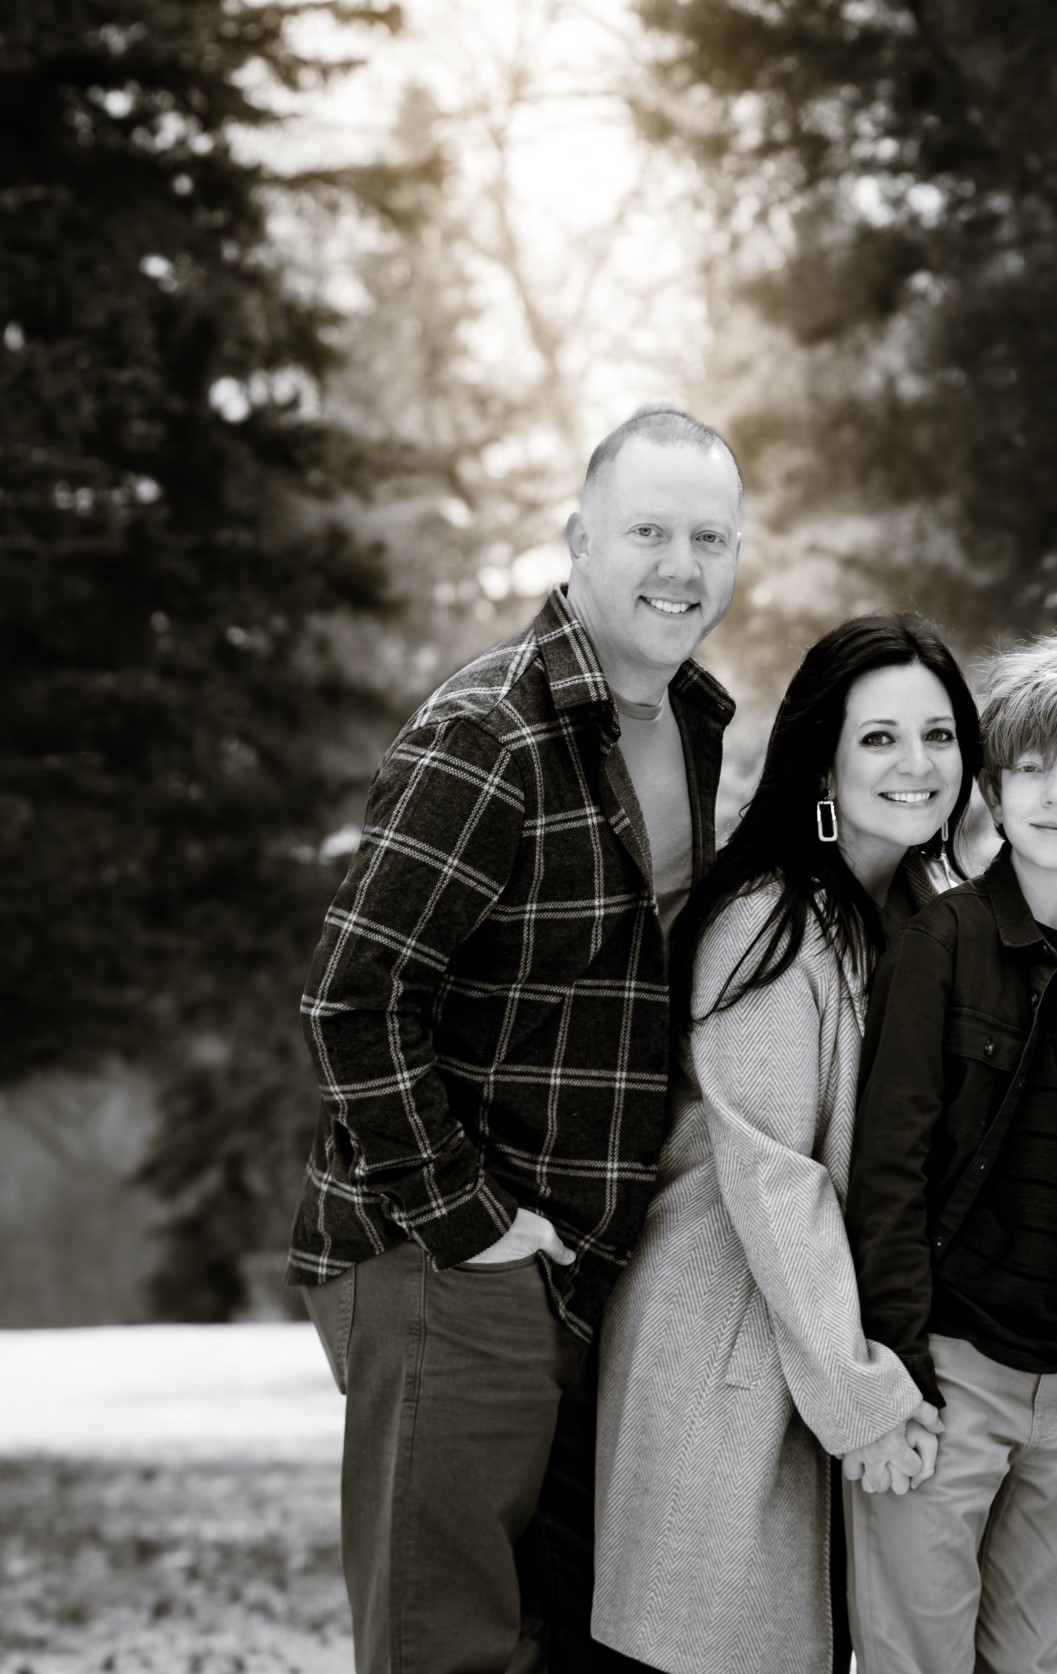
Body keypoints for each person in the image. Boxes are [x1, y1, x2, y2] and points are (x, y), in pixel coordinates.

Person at [290, 406, 742, 1674]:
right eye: (648, 530)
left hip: (576, 1268)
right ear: (578, 538)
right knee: (445, 1645)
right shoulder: (489, 734)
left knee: (556, 1643)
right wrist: (470, 1219)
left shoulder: (692, 724)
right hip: (447, 1256)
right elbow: (353, 1000)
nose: (680, 565)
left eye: (710, 536)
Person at [588, 615, 980, 1673]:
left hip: (842, 1343)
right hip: (732, 1346)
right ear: (822, 754)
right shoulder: (771, 925)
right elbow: (776, 1183)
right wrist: (859, 1393)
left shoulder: (928, 912)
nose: (917, 765)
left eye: (940, 736)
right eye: (880, 739)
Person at [845, 632, 1057, 1673]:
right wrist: (895, 1369)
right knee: (918, 1657)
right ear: (993, 787)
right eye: (1030, 767)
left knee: (1026, 1657)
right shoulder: (936, 946)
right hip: (945, 1368)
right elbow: (888, 1171)